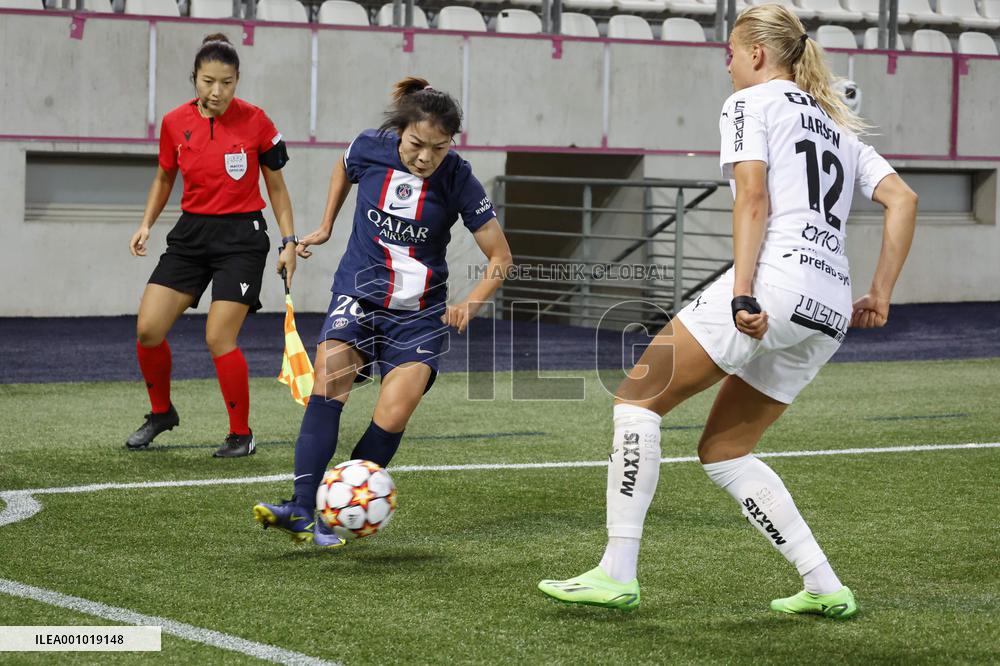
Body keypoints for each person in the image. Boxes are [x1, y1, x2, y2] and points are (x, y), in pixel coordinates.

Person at [538, 4, 917, 618]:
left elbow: (752, 197)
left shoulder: (750, 102)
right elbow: (903, 198)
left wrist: (743, 292)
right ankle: (824, 585)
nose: (728, 64)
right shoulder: (835, 124)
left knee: (636, 400)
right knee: (725, 449)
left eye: (731, 53)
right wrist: (880, 291)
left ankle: (617, 572)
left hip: (773, 286)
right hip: (829, 308)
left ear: (757, 54)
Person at [253, 77, 513, 546]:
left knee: (394, 413)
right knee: (329, 379)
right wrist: (327, 224)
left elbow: (501, 257)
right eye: (416, 144)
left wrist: (471, 303)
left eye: (438, 148)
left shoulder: (458, 178)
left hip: (419, 315)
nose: (426, 157)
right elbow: (343, 166)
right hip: (359, 293)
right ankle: (301, 506)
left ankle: (335, 514)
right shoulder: (369, 147)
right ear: (399, 132)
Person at [127, 33, 299, 458]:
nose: (217, 91)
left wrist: (289, 241)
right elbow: (164, 176)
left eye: (227, 82)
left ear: (237, 80)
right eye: (208, 81)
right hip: (191, 234)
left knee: (218, 336)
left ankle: (241, 435)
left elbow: (277, 189)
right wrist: (146, 223)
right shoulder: (174, 122)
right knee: (148, 330)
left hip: (242, 238)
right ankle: (161, 412)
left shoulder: (257, 121)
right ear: (195, 79)